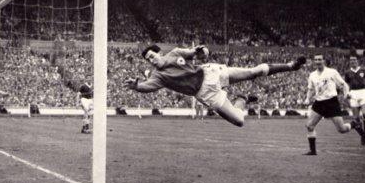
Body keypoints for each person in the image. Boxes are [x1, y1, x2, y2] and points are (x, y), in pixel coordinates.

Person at [125, 44, 306, 127]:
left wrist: (202, 50)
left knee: (253, 72)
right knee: (240, 121)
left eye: (152, 56)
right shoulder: (159, 77)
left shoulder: (175, 53)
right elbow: (147, 86)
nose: (151, 60)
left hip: (210, 73)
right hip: (205, 93)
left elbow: (197, 53)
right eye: (148, 59)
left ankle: (290, 66)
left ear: (159, 52)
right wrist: (136, 86)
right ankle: (241, 98)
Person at [303, 55, 365, 155]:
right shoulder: (312, 75)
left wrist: (346, 93)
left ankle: (354, 124)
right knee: (309, 126)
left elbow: (343, 84)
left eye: (320, 59)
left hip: (331, 102)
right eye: (316, 60)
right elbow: (310, 89)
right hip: (319, 103)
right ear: (314, 61)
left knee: (342, 129)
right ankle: (313, 151)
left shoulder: (332, 72)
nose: (318, 61)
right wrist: (307, 98)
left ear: (323, 60)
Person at [344, 55, 365, 144]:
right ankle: (362, 135)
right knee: (356, 120)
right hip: (353, 94)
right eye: (351, 60)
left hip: (363, 92)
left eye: (354, 59)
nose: (353, 61)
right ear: (349, 62)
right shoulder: (347, 72)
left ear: (357, 61)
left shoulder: (364, 70)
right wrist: (346, 93)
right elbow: (346, 84)